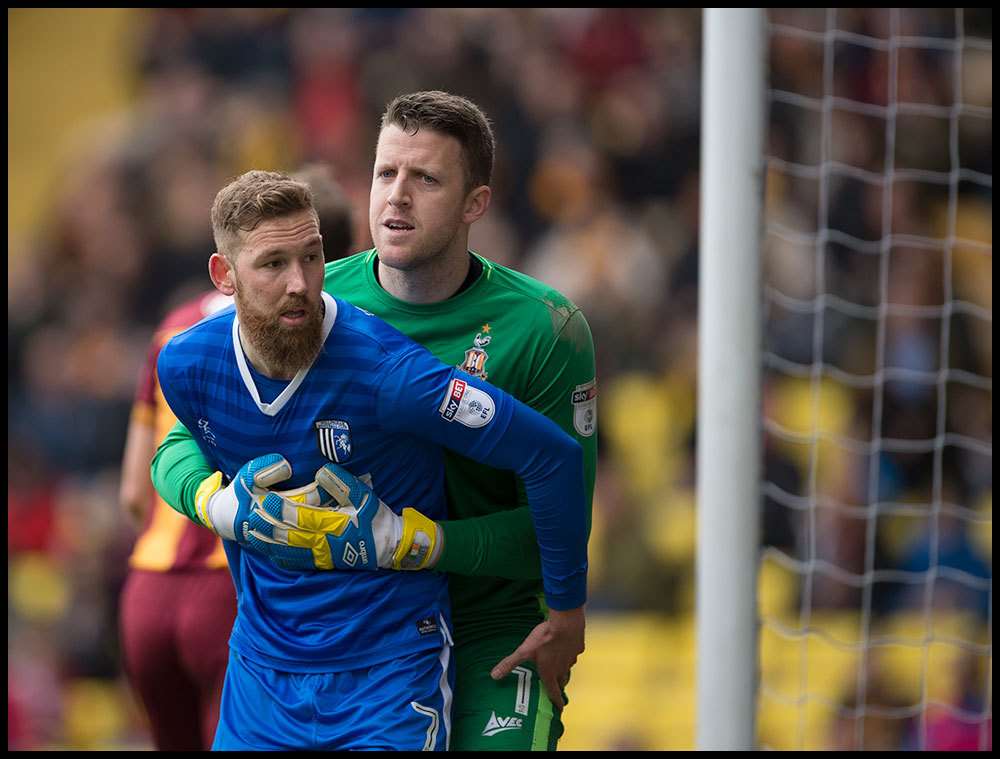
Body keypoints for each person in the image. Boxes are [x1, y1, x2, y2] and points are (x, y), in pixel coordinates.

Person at [152, 91, 597, 750]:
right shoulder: (313, 299)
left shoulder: (544, 329)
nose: (397, 196)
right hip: (339, 635)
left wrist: (562, 611)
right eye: (386, 173)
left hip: (487, 626)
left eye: (426, 179)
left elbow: (561, 513)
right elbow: (188, 436)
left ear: (476, 202)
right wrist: (218, 503)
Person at [117, 163, 355, 750]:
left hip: (147, 588)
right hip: (238, 587)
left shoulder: (173, 332)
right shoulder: (324, 332)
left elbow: (132, 493)